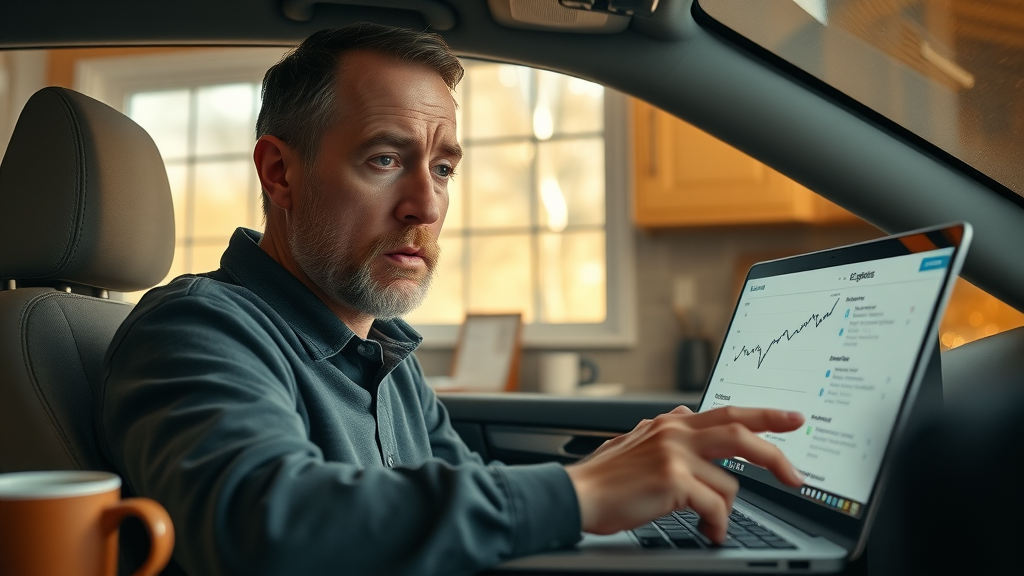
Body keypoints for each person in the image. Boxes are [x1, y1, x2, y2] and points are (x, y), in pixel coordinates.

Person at [96, 23, 806, 576]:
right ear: (280, 172)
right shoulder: (196, 328)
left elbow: (466, 502)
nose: (427, 205)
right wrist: (581, 494)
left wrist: (598, 474)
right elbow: (263, 527)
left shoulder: (386, 357)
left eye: (442, 168)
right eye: (384, 159)